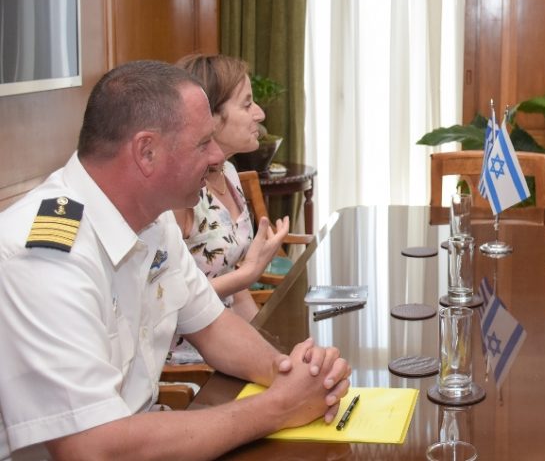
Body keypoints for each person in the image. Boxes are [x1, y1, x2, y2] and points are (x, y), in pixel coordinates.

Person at [0, 61, 350, 460]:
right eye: (203, 143)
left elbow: (213, 326)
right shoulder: (42, 257)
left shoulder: (154, 218)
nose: (217, 156)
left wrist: (288, 372)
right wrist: (278, 407)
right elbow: (93, 449)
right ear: (146, 152)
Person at [173, 54, 288, 326]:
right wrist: (248, 272)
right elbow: (169, 303)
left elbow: (236, 291)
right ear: (208, 117)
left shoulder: (230, 173)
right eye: (247, 105)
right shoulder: (179, 195)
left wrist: (266, 343)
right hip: (192, 347)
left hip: (228, 331)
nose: (260, 114)